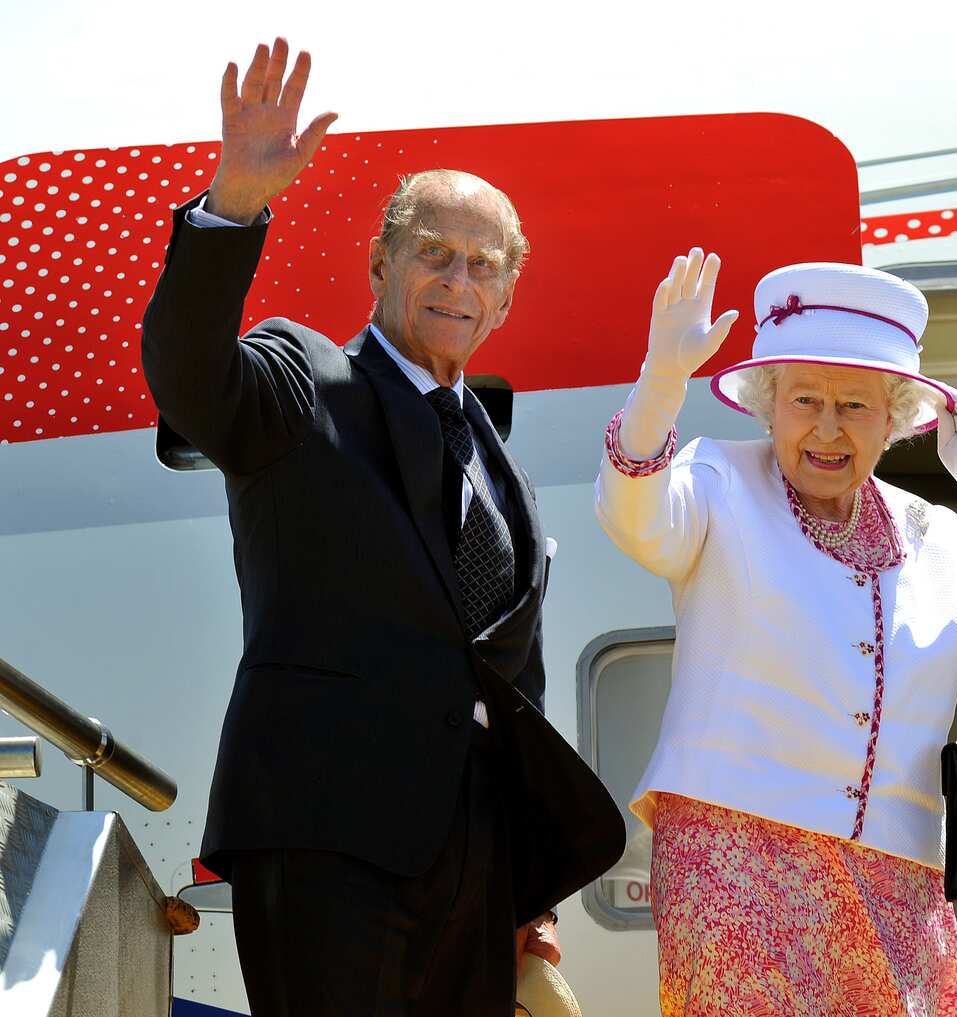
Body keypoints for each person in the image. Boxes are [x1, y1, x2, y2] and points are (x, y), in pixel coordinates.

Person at [142, 38, 623, 1016]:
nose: (457, 280)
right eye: (432, 255)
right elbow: (190, 373)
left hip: (473, 866)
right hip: (325, 837)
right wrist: (231, 206)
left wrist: (528, 907)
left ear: (504, 297)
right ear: (379, 261)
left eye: (481, 266)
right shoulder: (297, 379)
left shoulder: (502, 464)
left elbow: (507, 684)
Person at [594, 249, 957, 1016]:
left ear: (896, 419)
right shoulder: (718, 478)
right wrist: (660, 382)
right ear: (767, 403)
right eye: (805, 399)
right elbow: (633, 519)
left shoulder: (933, 532)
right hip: (736, 854)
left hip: (899, 874)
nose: (826, 427)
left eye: (854, 406)